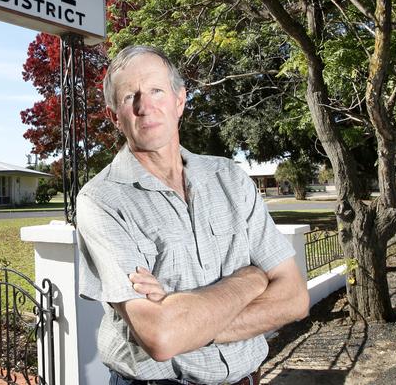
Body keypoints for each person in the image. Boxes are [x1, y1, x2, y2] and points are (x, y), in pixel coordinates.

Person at [76, 45, 309, 385]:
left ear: (180, 100)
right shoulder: (101, 201)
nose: (145, 106)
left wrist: (187, 323)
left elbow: (295, 298)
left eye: (156, 90)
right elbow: (161, 337)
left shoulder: (229, 177)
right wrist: (253, 279)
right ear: (115, 116)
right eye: (130, 97)